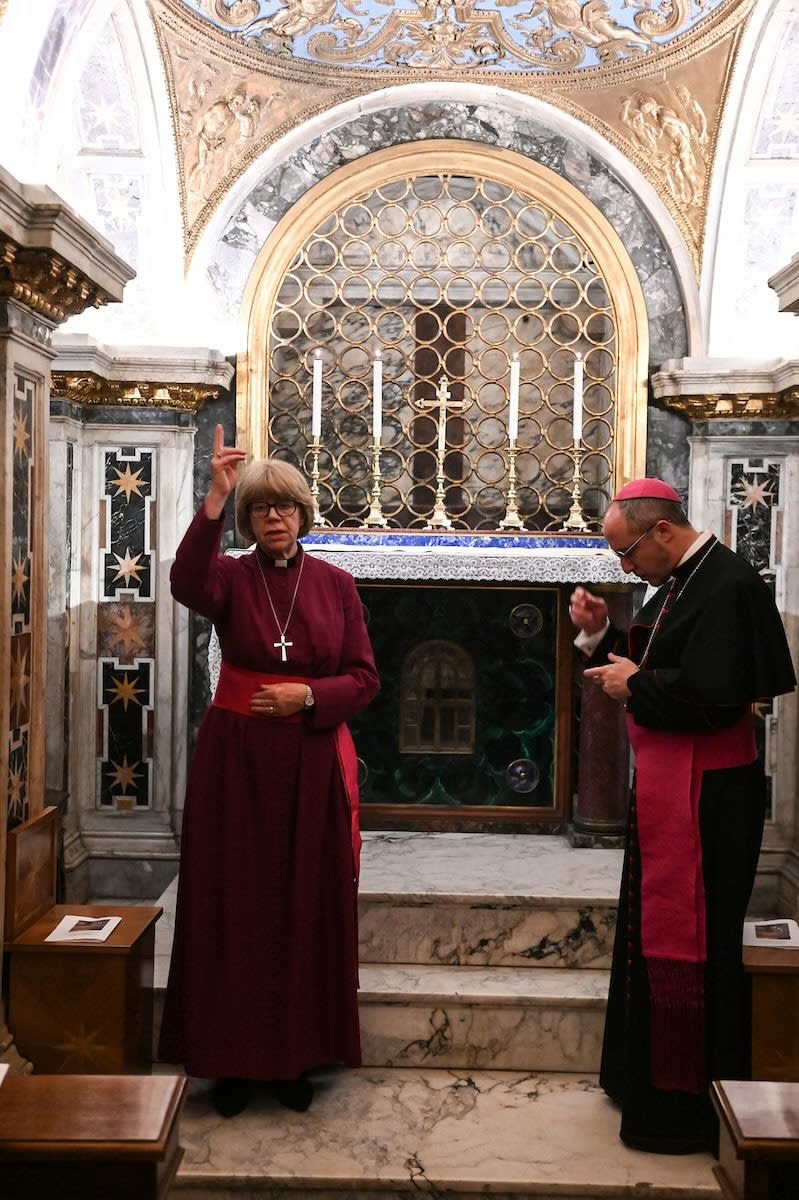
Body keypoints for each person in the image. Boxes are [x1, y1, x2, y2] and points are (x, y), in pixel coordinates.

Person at [159, 425, 380, 1118]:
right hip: (236, 764)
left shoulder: (336, 585)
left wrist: (308, 696)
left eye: (283, 506)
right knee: (233, 904)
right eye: (259, 509)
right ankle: (229, 1059)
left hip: (310, 764)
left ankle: (296, 1058)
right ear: (248, 520)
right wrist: (215, 497)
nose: (273, 517)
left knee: (302, 903)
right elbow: (184, 582)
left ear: (303, 514)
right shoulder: (229, 576)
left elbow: (365, 679)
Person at [570, 478, 795, 1155]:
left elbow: (717, 695)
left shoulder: (727, 584)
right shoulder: (684, 580)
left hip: (708, 796)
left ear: (661, 530)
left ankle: (682, 1105)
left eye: (626, 552)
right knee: (648, 929)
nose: (624, 567)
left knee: (697, 941)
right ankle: (639, 1079)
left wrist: (635, 683)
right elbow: (665, 660)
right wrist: (601, 636)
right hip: (675, 784)